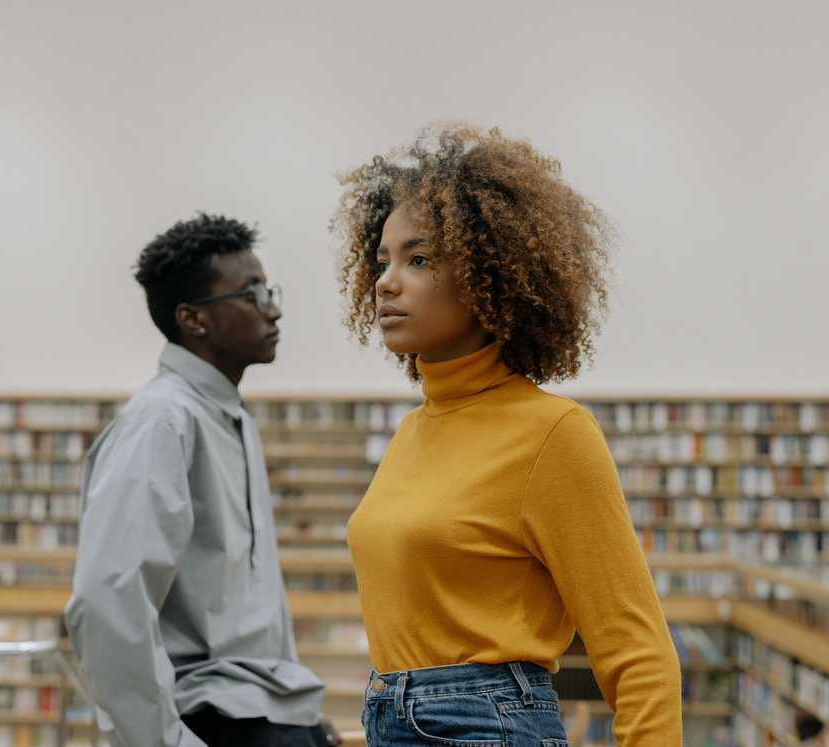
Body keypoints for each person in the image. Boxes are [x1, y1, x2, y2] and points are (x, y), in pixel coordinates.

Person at [333, 124, 682, 745]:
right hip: (389, 714)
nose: (386, 282)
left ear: (488, 273)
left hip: (488, 723)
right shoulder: (413, 431)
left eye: (419, 259)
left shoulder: (553, 433)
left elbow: (638, 652)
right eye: (382, 260)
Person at [65, 213, 334, 747]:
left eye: (268, 289)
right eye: (251, 293)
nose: (273, 308)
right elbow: (108, 600)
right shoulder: (163, 422)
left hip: (265, 709)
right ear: (194, 319)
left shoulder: (230, 416)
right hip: (208, 720)